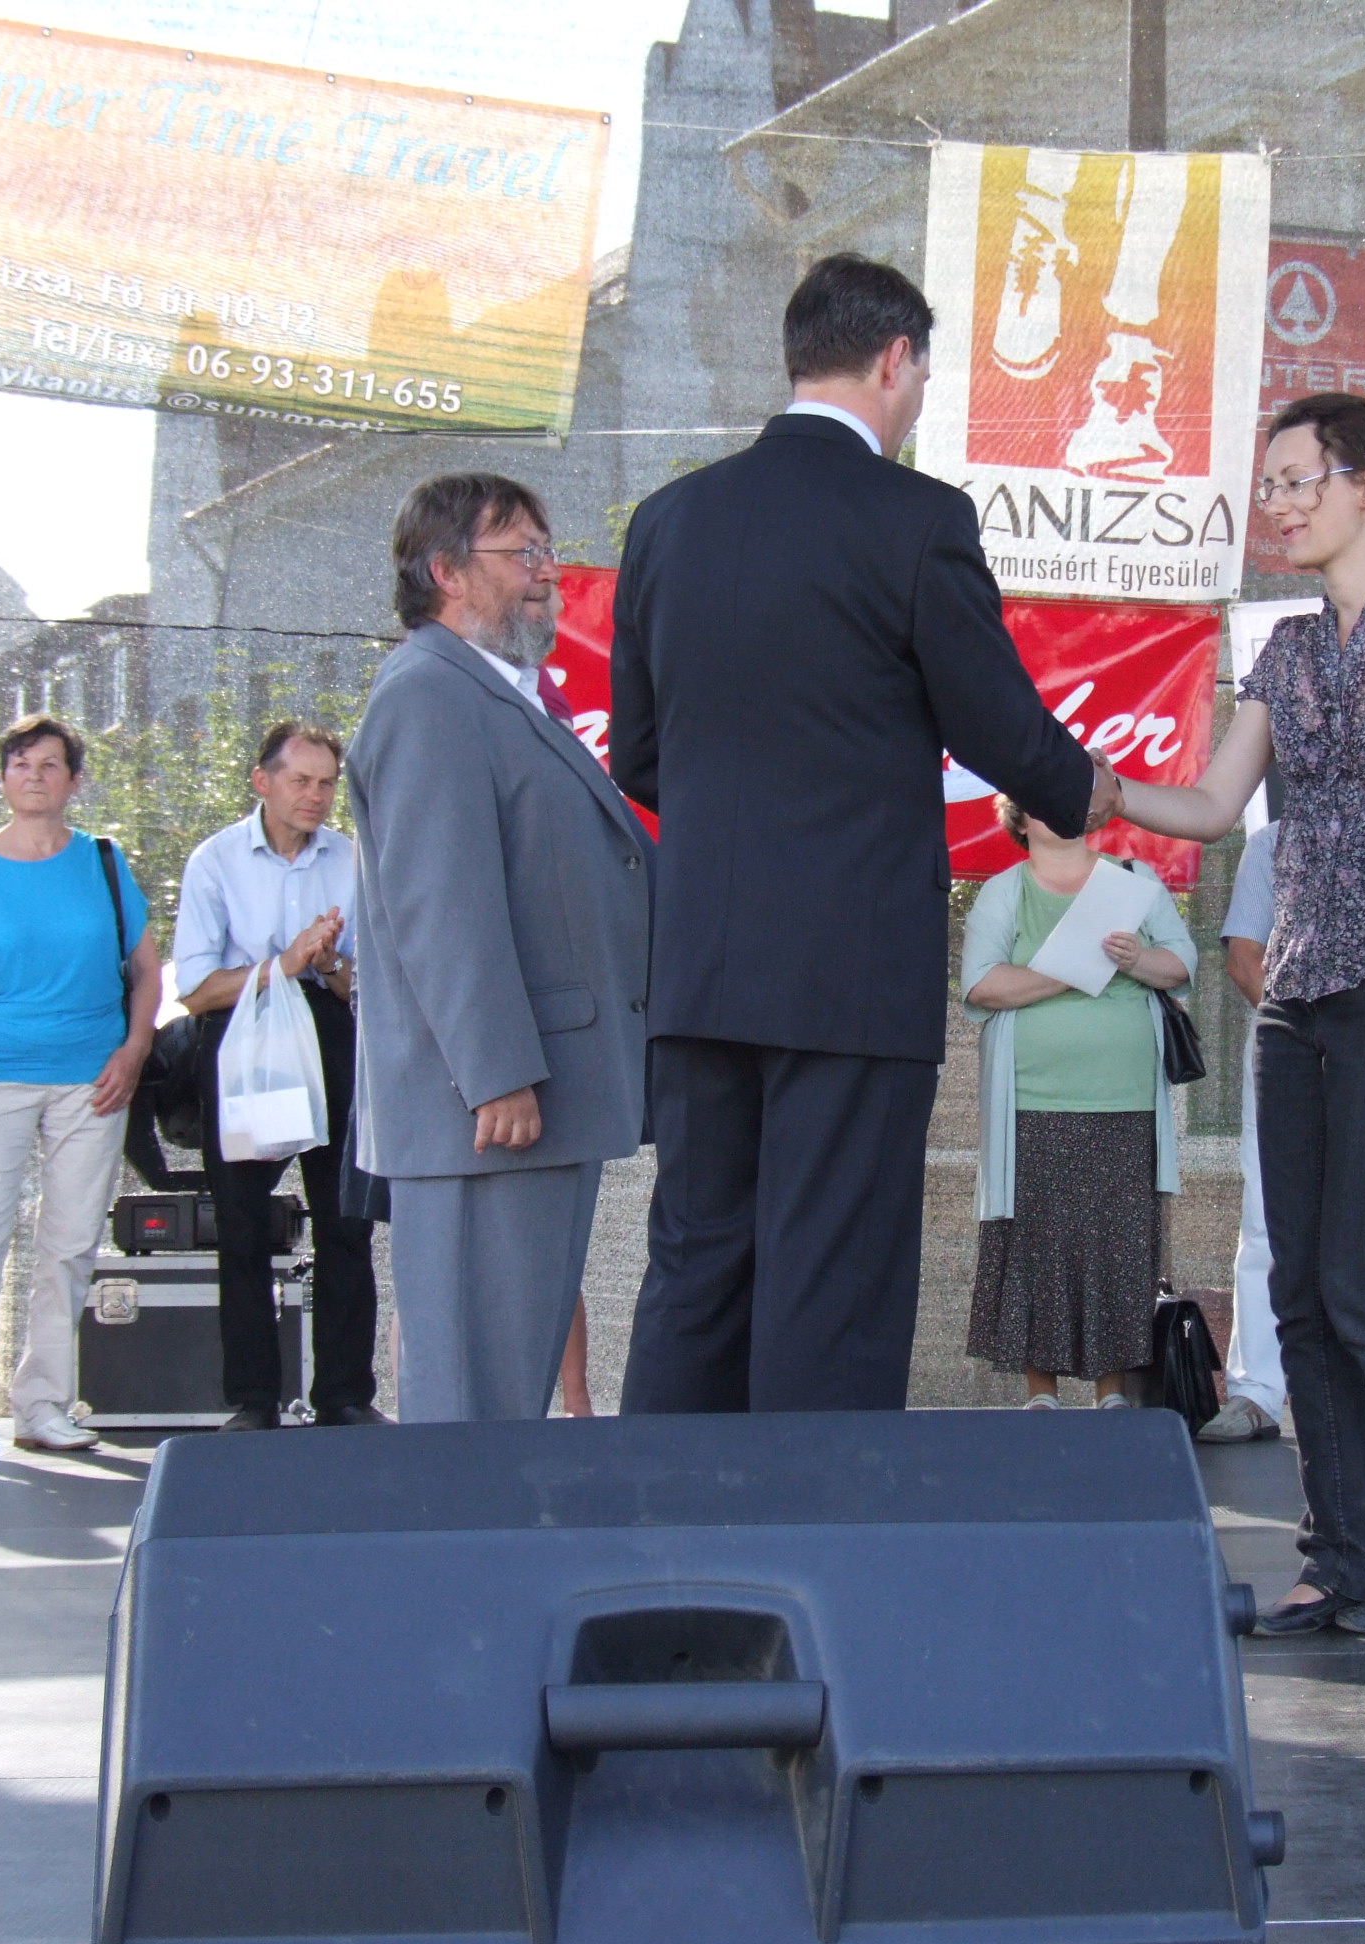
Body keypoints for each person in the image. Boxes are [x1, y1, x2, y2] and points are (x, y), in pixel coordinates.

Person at [609, 252, 1111, 1415]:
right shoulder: (916, 518)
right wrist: (1088, 791)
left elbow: (638, 754)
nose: (919, 397)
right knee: (829, 1276)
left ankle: (661, 1511)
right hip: (849, 967)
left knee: (696, 1262)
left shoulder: (669, 521)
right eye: (923, 375)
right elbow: (999, 726)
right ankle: (813, 1516)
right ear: (895, 359)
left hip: (700, 966)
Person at [1111, 392, 1365, 1635]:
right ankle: (1338, 1552)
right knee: (1296, 1290)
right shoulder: (1284, 651)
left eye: (1297, 480)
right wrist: (1091, 784)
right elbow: (1209, 809)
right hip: (1296, 996)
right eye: (1269, 485)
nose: (1275, 505)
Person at [347, 473, 651, 1423]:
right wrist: (496, 1073)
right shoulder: (429, 696)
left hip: (538, 1101)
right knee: (469, 1398)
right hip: (487, 1116)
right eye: (523, 553)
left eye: (547, 551)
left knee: (504, 1394)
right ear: (446, 571)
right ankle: (453, 1528)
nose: (547, 573)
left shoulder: (501, 693)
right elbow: (441, 906)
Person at [0, 715, 157, 1454]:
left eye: (49, 764)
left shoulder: (103, 859)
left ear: (73, 780)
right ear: (2, 778)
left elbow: (147, 970)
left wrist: (134, 1050)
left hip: (93, 1082)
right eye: (19, 763)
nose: (33, 775)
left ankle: (44, 1404)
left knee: (70, 1243)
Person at [175, 722, 381, 1431]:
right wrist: (282, 966)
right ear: (262, 782)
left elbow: (368, 985)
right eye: (301, 781)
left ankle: (344, 1395)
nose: (315, 796)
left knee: (346, 1220)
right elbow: (195, 991)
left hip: (329, 1033)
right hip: (244, 1038)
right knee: (242, 1224)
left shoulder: (351, 858)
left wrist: (327, 964)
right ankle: (254, 1400)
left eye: (327, 783)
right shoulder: (216, 860)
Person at [961, 797, 1195, 1406]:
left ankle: (1111, 1393)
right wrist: (1070, 971)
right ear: (1018, 819)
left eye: (1072, 800)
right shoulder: (1004, 892)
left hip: (1127, 1103)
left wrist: (1137, 960)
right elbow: (981, 983)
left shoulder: (1134, 881)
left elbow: (1182, 963)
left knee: (1118, 1245)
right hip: (1030, 1104)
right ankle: (1041, 1394)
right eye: (1043, 802)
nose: (1061, 811)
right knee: (1035, 1244)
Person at [1199, 819, 1284, 1444]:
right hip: (1287, 1048)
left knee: (1364, 1233)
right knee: (1266, 1222)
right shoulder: (1271, 843)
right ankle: (1256, 1391)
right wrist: (1305, 1036)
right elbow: (1243, 959)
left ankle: (1350, 1387)